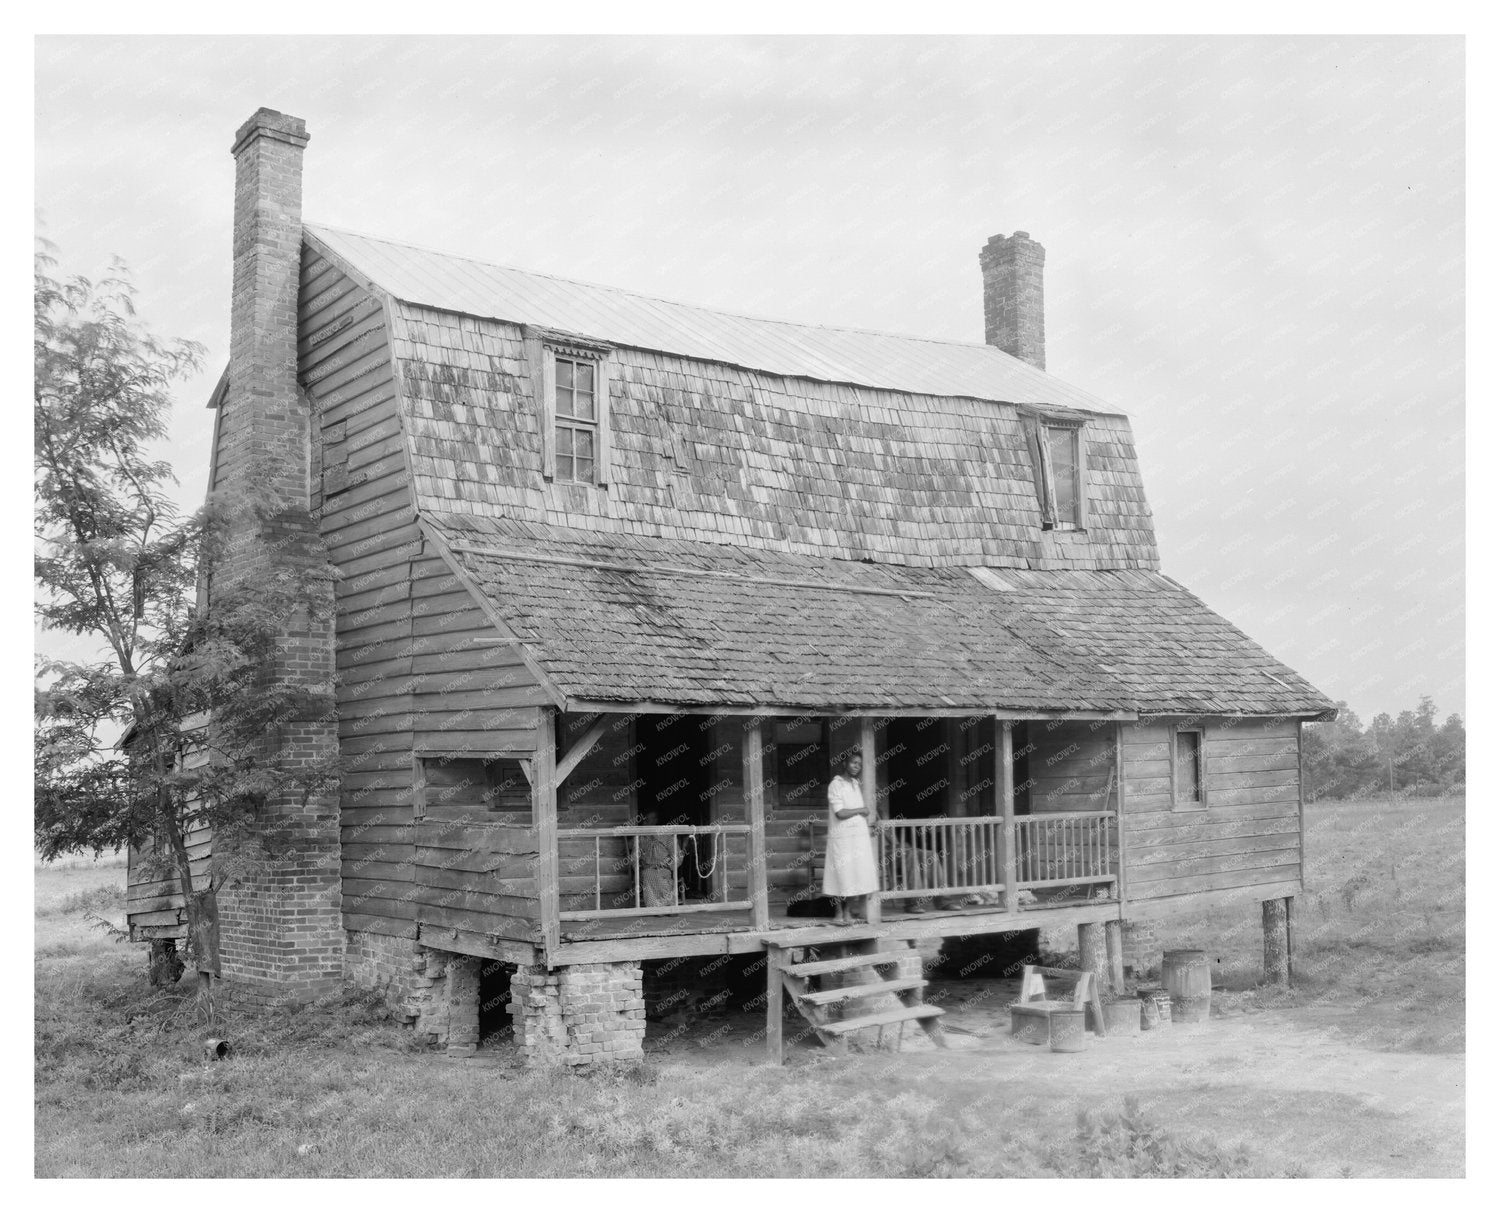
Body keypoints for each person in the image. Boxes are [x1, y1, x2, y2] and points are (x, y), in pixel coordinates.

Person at [823, 752, 879, 924]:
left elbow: (854, 809)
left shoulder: (855, 784)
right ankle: (841, 913)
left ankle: (856, 911)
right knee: (843, 874)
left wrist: (868, 824)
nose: (857, 766)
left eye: (859, 764)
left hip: (857, 837)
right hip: (843, 837)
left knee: (858, 873)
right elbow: (840, 813)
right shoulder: (836, 784)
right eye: (854, 763)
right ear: (844, 763)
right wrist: (861, 810)